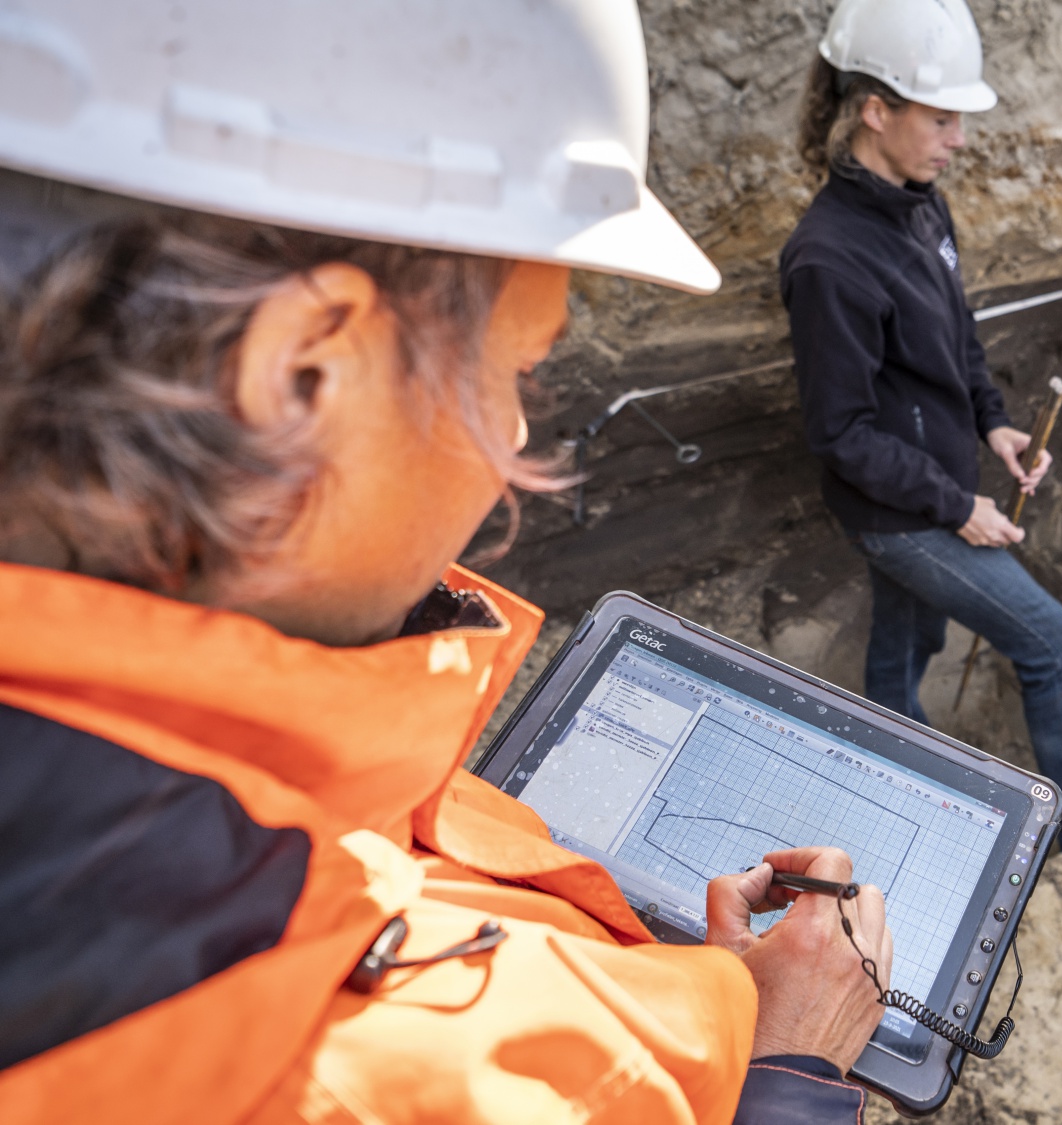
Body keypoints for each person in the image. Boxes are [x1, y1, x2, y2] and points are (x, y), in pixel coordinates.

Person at [0, 2, 884, 1121]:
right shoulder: (346, 1083)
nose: (512, 438)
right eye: (517, 365)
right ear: (304, 375)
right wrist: (785, 1073)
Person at [779, 0, 1062, 891]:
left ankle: (884, 789)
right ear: (875, 111)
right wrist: (957, 507)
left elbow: (957, 336)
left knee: (903, 647)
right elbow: (840, 432)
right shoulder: (829, 259)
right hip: (900, 513)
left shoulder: (921, 206)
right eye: (942, 119)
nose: (960, 140)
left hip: (938, 481)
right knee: (1054, 646)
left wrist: (992, 423)